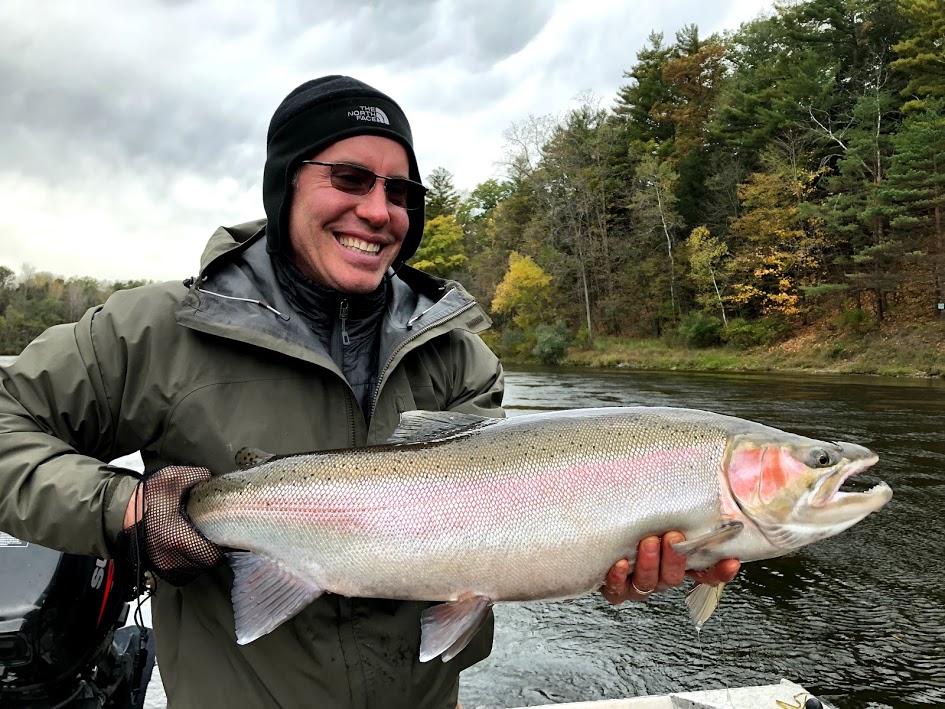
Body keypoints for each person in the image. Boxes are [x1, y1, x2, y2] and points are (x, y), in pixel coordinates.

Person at [0, 75, 739, 708]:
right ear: (287, 182)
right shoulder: (154, 331)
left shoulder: (459, 358)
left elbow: (493, 537)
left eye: (401, 191)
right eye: (349, 179)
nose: (379, 210)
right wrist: (125, 509)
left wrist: (597, 562)